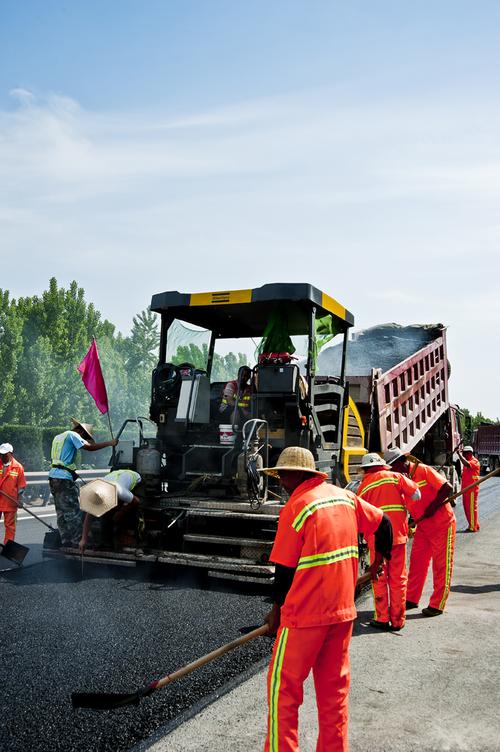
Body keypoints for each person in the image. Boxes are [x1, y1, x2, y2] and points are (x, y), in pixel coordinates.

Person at [261, 446, 392, 752]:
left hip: (303, 619)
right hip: (342, 614)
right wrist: (379, 560)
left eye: (283, 473)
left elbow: (284, 570)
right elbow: (384, 523)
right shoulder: (344, 497)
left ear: (298, 474)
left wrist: (275, 612)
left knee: (284, 692)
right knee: (335, 695)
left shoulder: (297, 507)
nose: (280, 479)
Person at [384, 448, 455, 617]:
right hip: (423, 527)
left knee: (441, 565)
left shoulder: (423, 470)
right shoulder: (401, 478)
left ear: (402, 461)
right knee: (417, 563)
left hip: (442, 524)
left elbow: (447, 487)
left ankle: (437, 604)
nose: (392, 470)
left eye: (393, 466)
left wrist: (433, 506)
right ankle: (411, 599)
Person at [357, 452, 421, 631]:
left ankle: (382, 618)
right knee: (398, 578)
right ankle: (398, 620)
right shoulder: (396, 477)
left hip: (376, 540)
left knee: (378, 577)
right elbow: (417, 495)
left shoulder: (363, 487)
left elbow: (360, 516)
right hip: (397, 536)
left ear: (366, 469)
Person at [48, 419, 118, 548]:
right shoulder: (73, 435)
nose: (83, 439)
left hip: (53, 477)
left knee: (61, 511)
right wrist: (110, 443)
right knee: (72, 511)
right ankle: (76, 541)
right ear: (80, 431)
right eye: (83, 437)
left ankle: (65, 540)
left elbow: (62, 459)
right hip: (64, 478)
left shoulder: (59, 436)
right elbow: (90, 447)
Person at [79, 469, 142, 553]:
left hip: (136, 478)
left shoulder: (120, 492)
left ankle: (127, 539)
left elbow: (136, 501)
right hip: (116, 476)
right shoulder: (97, 492)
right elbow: (89, 516)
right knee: (105, 513)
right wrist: (84, 539)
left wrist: (121, 512)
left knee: (117, 514)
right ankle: (106, 543)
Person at [0, 443, 26, 544]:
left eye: (4, 454)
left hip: (10, 502)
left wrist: (20, 500)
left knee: (10, 526)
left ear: (11, 454)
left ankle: (7, 547)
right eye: (1, 454)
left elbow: (21, 486)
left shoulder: (18, 467)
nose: (2, 457)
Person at [457, 445, 481, 532]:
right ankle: (475, 524)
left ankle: (473, 526)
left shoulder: (474, 461)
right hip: (466, 489)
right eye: (463, 453)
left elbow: (466, 464)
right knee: (466, 508)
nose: (464, 455)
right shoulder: (468, 460)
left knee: (471, 508)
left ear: (470, 453)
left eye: (465, 453)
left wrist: (459, 455)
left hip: (472, 489)